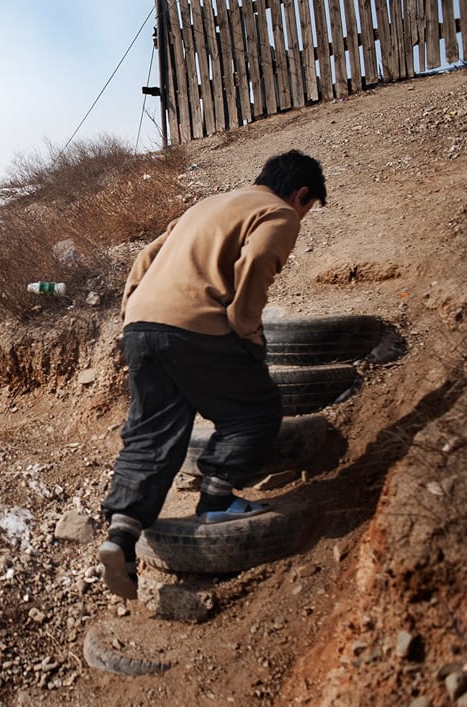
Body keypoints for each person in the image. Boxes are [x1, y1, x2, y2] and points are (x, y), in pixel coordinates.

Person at [98, 149, 327, 600]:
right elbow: (259, 258)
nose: (304, 215)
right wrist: (246, 329)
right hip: (193, 325)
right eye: (309, 206)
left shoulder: (206, 206)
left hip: (141, 324)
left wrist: (133, 310)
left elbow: (147, 256)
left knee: (151, 432)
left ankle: (121, 533)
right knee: (255, 409)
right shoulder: (279, 213)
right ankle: (218, 499)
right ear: (300, 194)